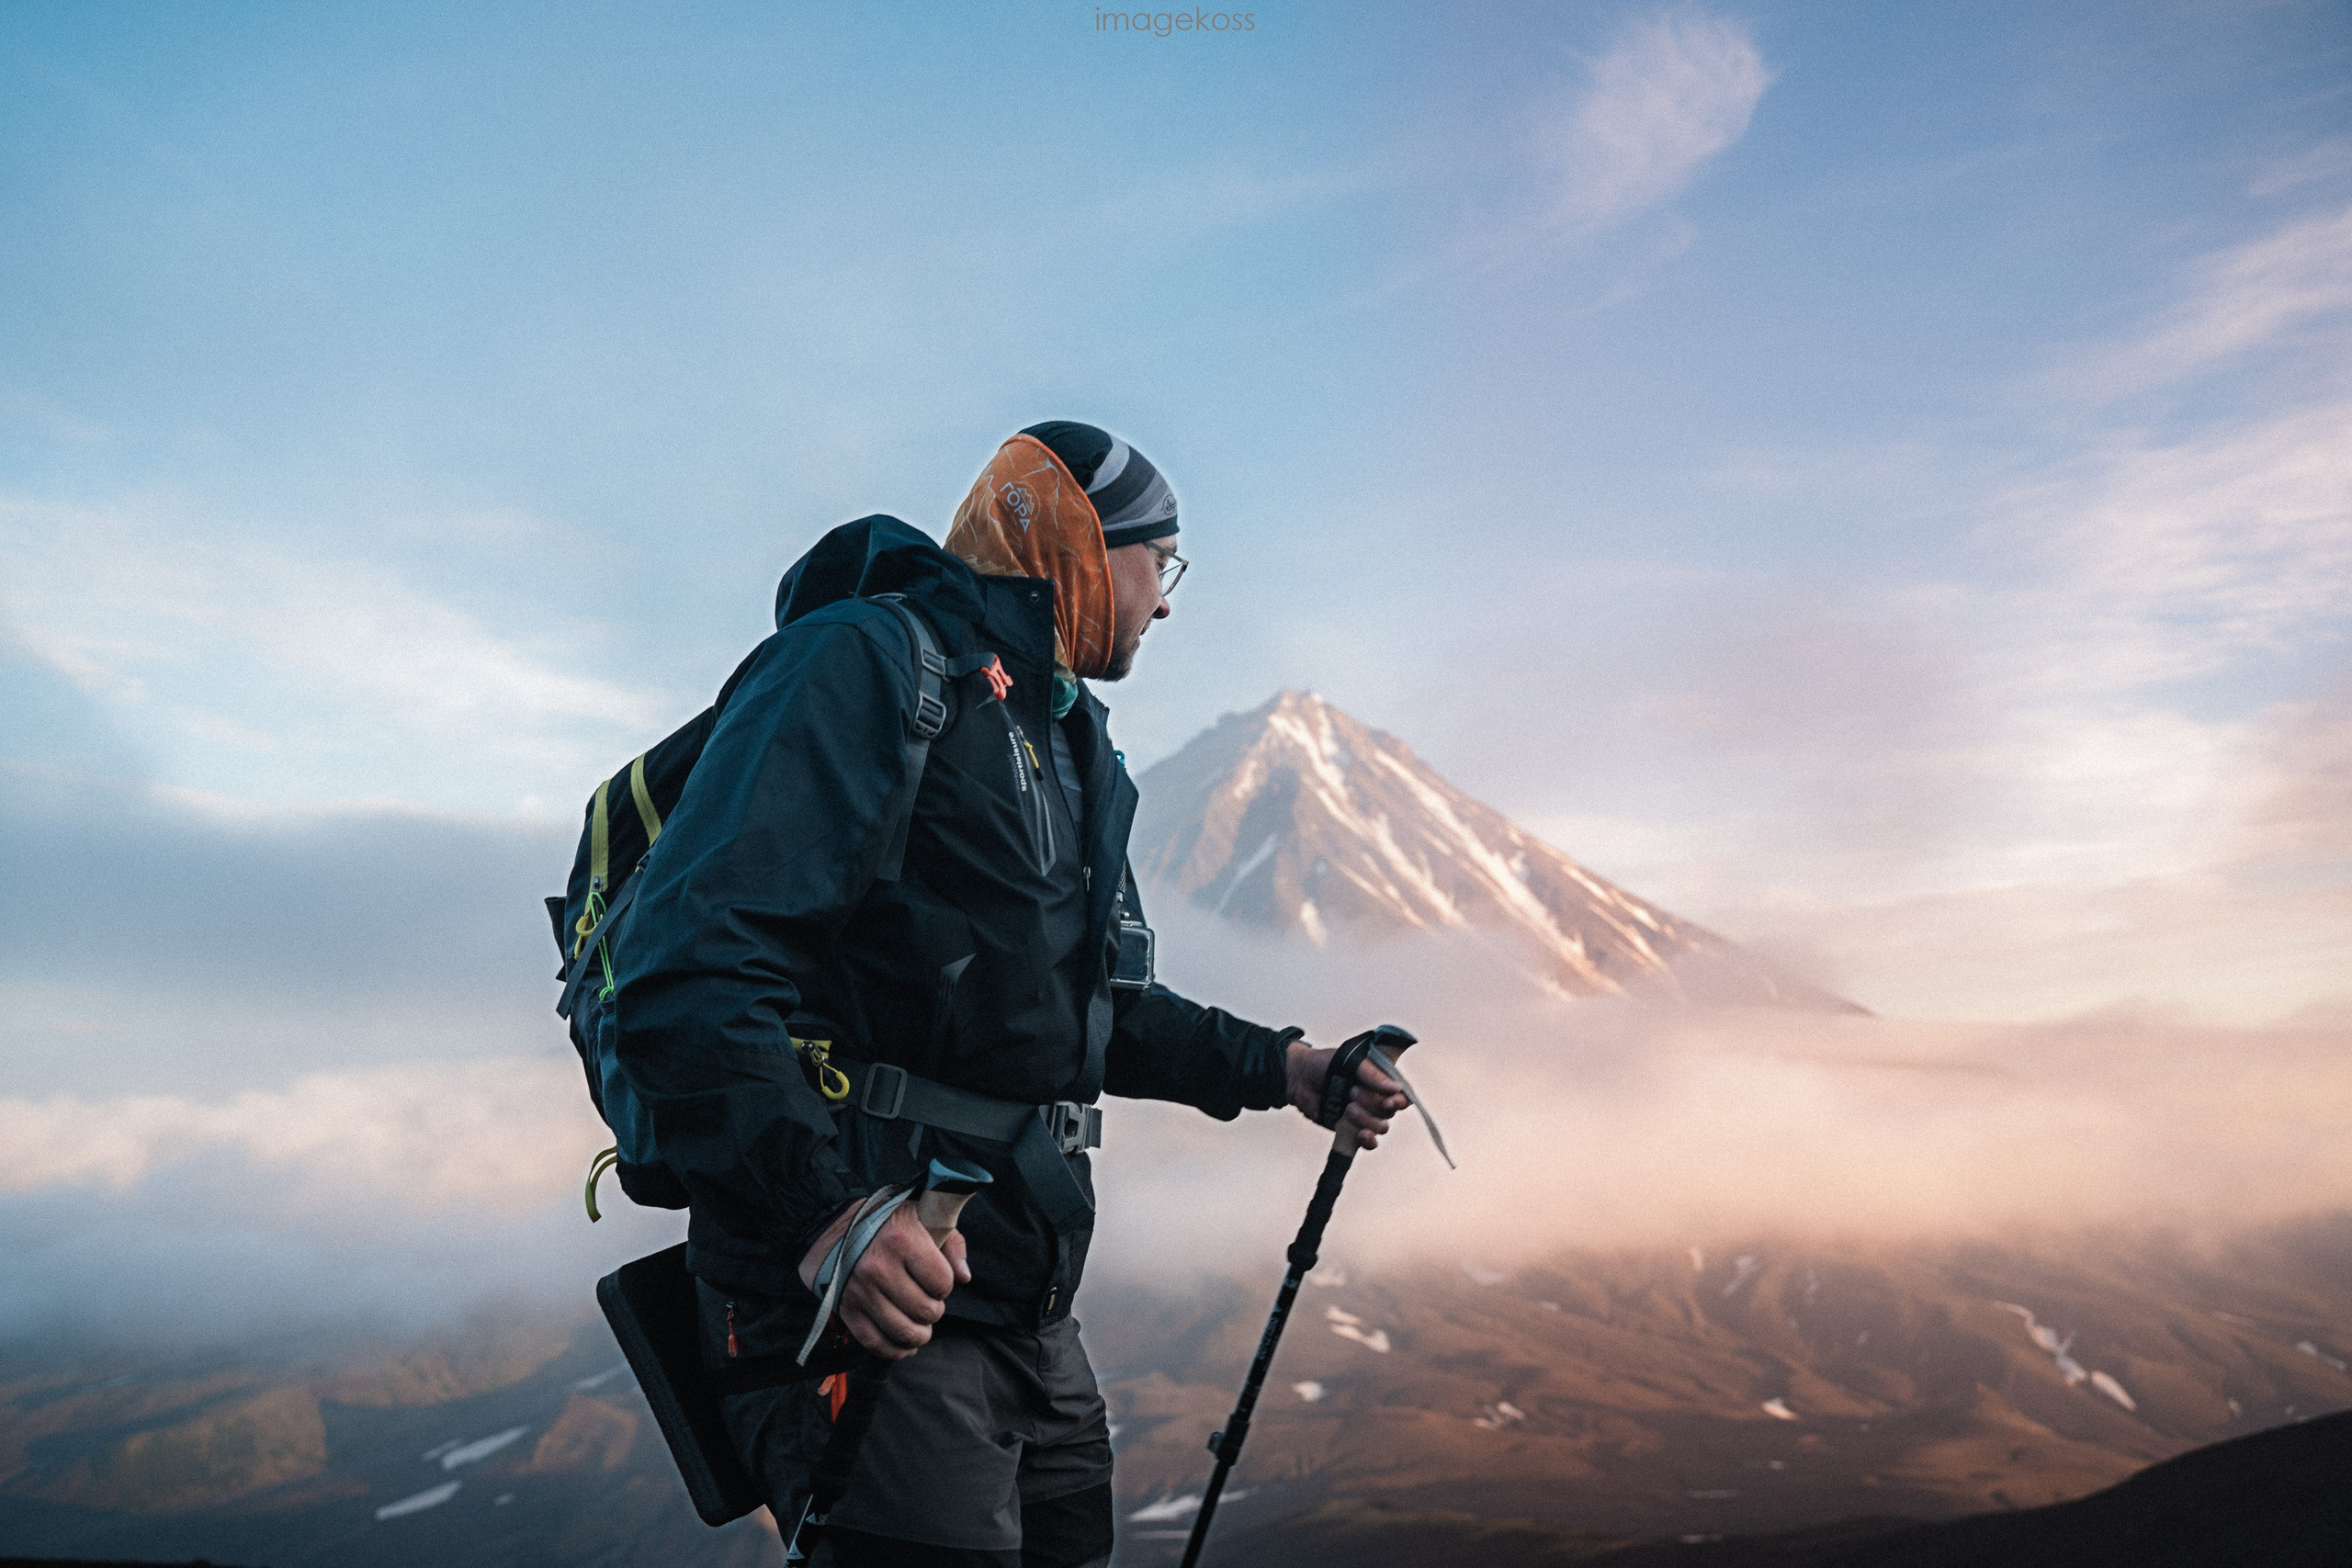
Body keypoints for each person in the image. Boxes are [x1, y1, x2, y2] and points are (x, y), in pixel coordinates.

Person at [610, 421, 1408, 1567]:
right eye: (1160, 562)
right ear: (1078, 541)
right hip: (864, 1305)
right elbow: (689, 962)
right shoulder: (863, 663)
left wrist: (1286, 1069)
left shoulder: (1073, 739)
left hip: (1020, 1305)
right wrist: (828, 1219)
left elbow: (1091, 1013)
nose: (1166, 603)